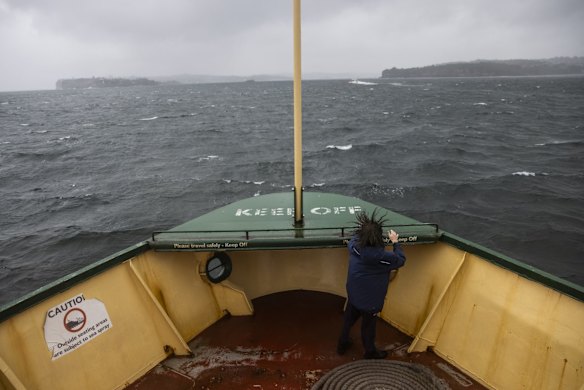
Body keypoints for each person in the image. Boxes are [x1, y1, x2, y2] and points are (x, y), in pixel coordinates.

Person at [337, 210, 406, 359]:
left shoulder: (354, 247)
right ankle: (370, 351)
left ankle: (342, 344)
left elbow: (354, 239)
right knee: (368, 327)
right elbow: (400, 260)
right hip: (371, 301)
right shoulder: (383, 258)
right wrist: (395, 242)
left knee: (348, 320)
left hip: (354, 293)